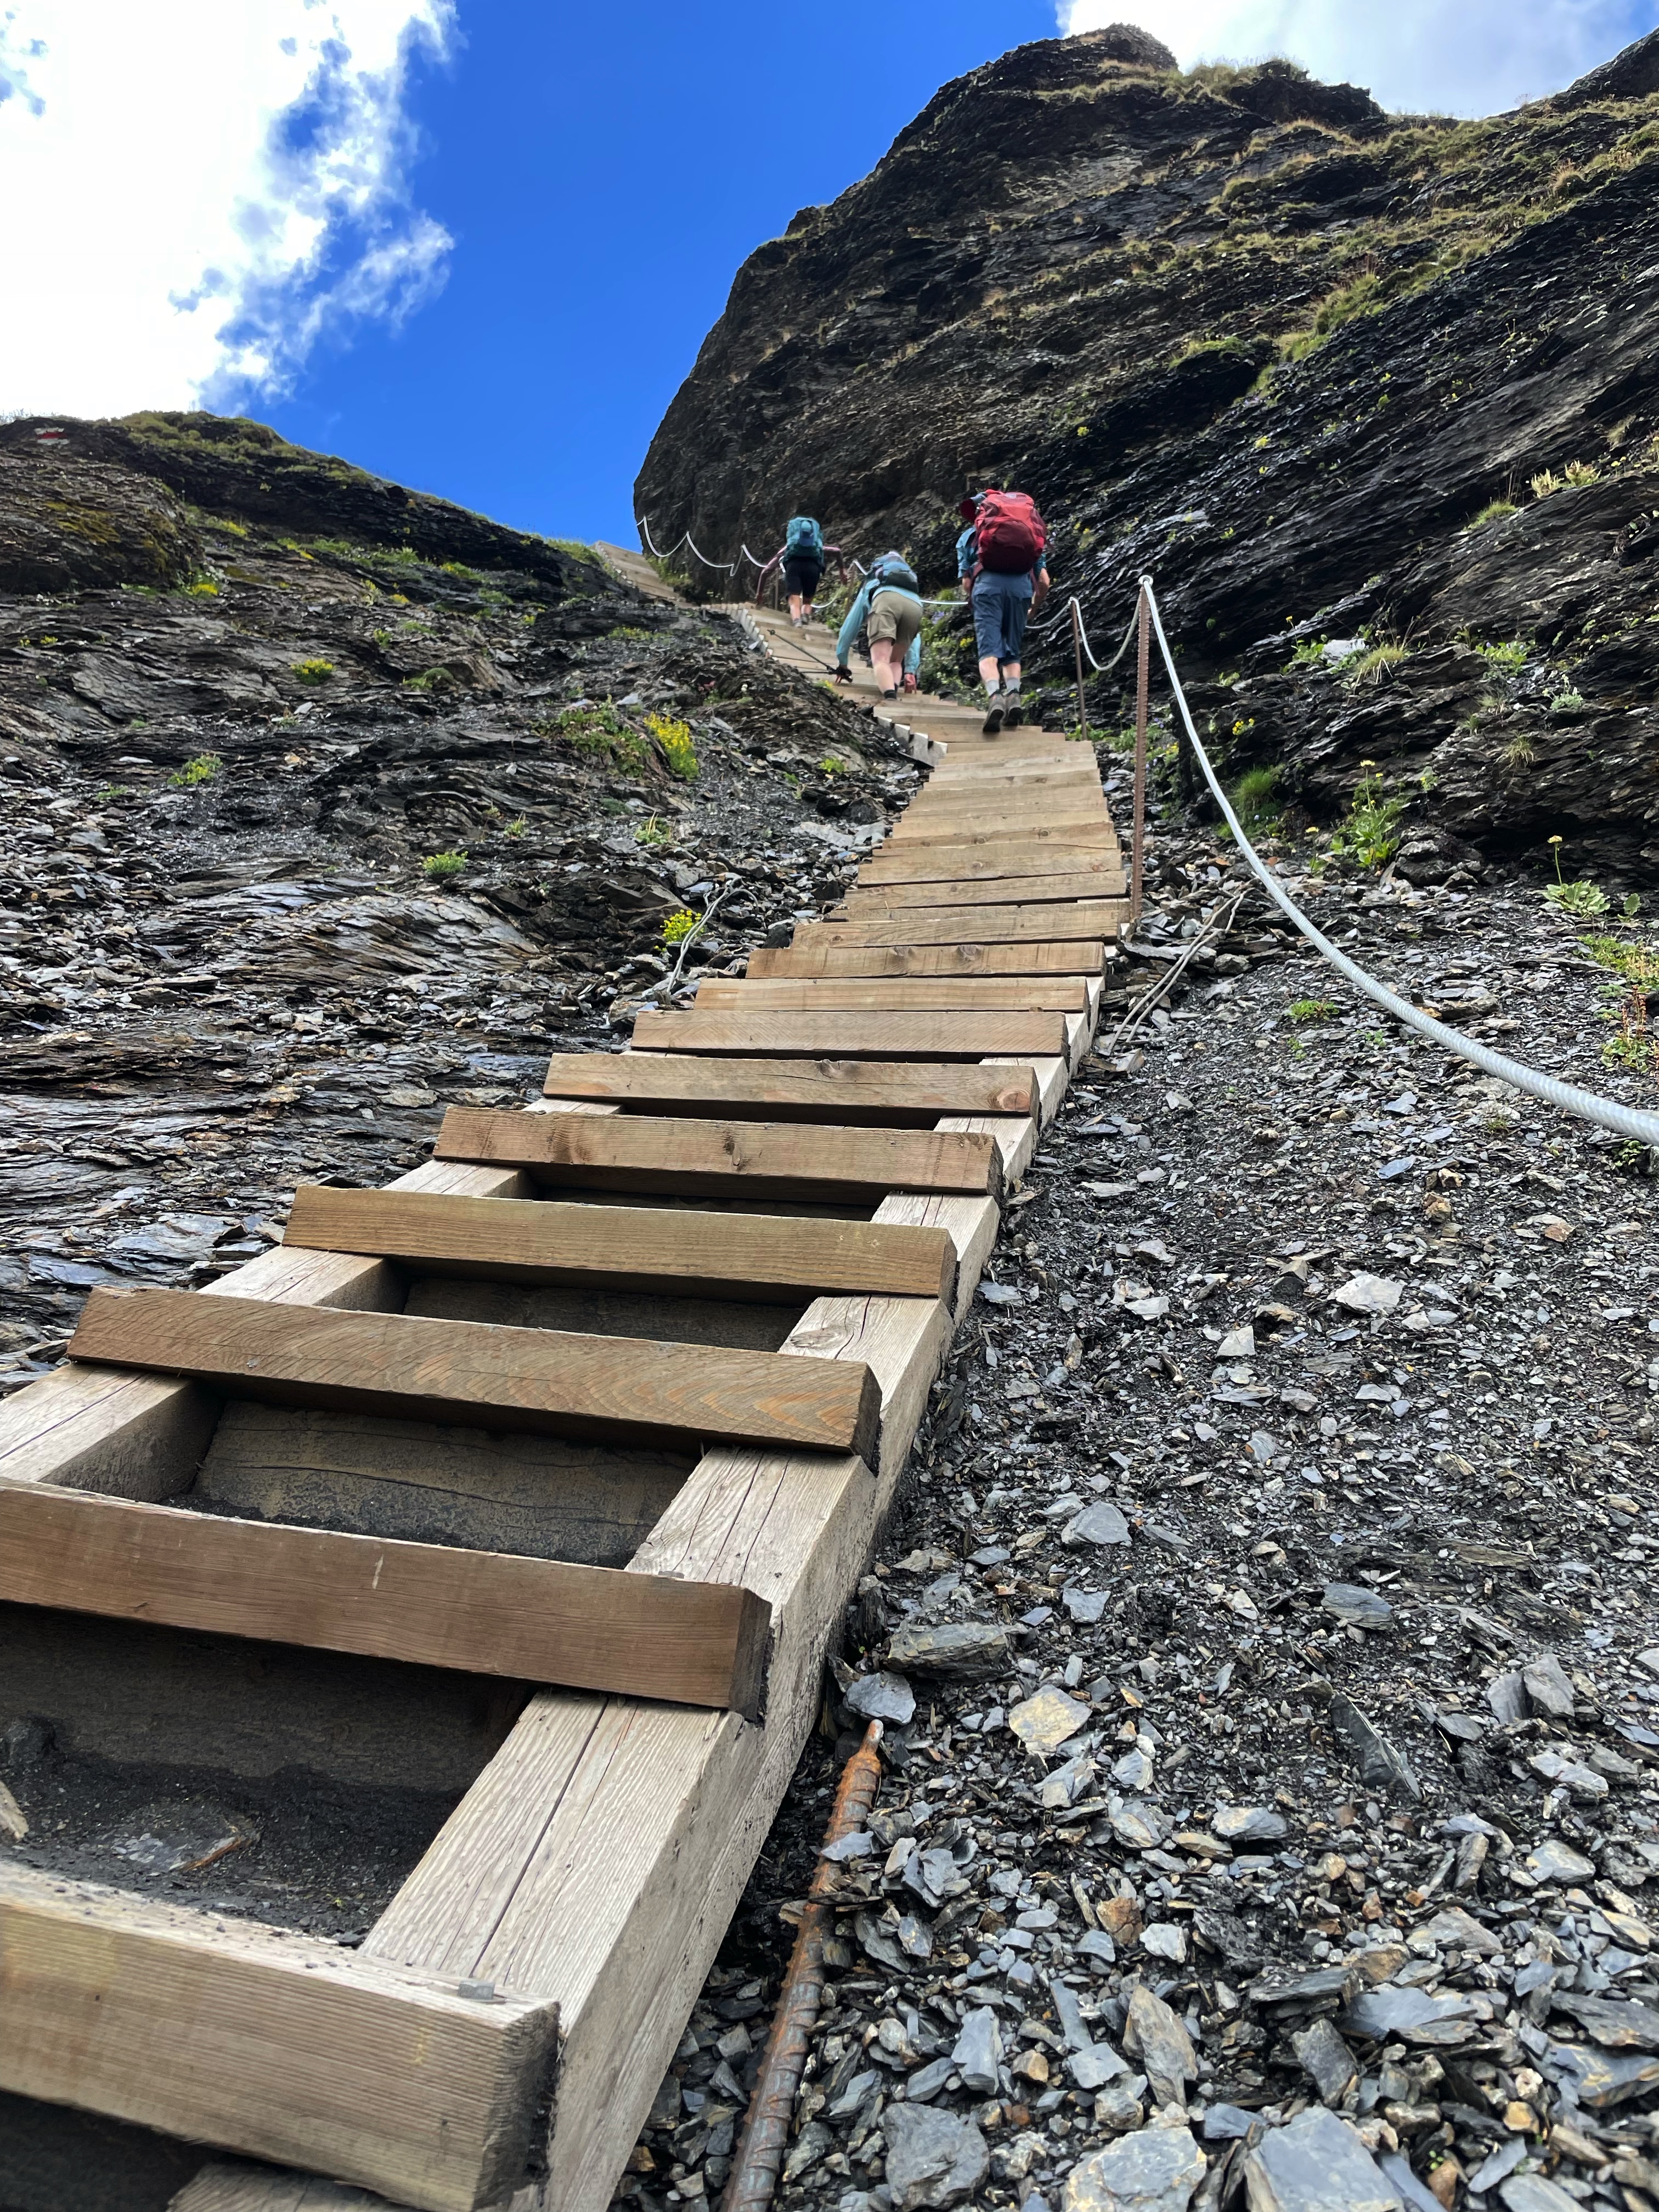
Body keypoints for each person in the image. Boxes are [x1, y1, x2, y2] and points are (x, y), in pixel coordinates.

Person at [956, 489, 1050, 733]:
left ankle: (995, 697)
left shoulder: (968, 537)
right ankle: (1014, 695)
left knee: (989, 651)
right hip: (1020, 590)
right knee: (1012, 652)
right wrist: (1033, 606)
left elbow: (966, 582)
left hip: (987, 589)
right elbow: (1044, 581)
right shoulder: (1028, 531)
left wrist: (974, 597)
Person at [833, 551, 923, 699]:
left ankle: (890, 699)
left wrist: (842, 663)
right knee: (895, 661)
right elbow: (915, 637)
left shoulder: (873, 582)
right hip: (916, 605)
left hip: (885, 600)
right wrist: (910, 670)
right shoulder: (909, 586)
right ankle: (892, 690)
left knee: (881, 659)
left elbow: (851, 626)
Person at [781, 512, 825, 626]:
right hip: (813, 566)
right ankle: (805, 615)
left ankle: (797, 621)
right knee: (808, 598)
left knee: (794, 597)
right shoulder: (815, 540)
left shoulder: (794, 539)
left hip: (794, 564)